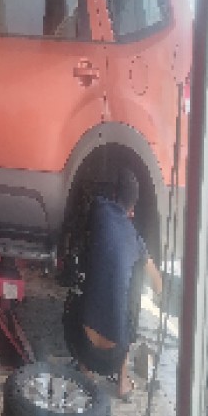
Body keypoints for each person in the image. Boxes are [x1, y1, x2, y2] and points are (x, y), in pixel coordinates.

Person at [63, 168, 162, 400]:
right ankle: (123, 382)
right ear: (132, 209)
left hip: (83, 345)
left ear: (112, 194)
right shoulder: (135, 239)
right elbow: (158, 285)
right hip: (114, 357)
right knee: (130, 294)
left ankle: (85, 372)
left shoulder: (97, 210)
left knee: (81, 290)